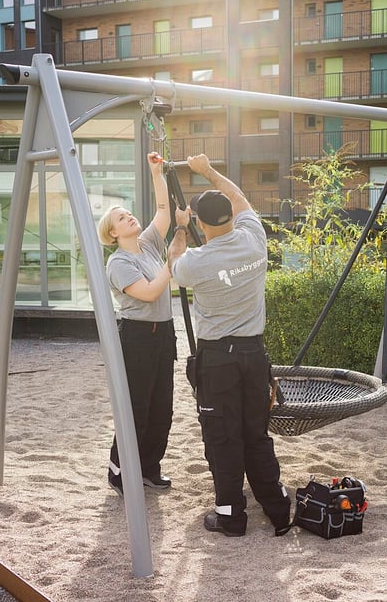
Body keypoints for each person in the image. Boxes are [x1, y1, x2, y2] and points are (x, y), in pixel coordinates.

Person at [168, 153, 291, 537]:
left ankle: (231, 517)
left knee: (223, 437)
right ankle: (278, 509)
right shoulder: (256, 240)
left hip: (218, 360)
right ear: (231, 218)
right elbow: (239, 197)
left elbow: (174, 263)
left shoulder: (196, 262)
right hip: (255, 356)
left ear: (203, 222)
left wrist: (181, 231)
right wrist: (207, 171)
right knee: (256, 432)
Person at [97, 151, 175, 497]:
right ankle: (119, 472)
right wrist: (173, 265)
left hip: (164, 333)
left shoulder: (147, 244)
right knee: (137, 407)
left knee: (162, 407)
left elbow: (163, 212)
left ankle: (148, 469)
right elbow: (146, 293)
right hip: (138, 337)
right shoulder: (119, 262)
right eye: (121, 218)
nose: (128, 217)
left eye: (128, 213)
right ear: (112, 233)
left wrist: (156, 174)